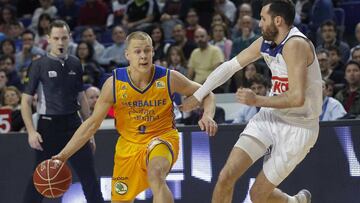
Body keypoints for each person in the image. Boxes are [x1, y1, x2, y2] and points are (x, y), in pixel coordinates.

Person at [181, 0, 322, 203]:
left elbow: (297, 98)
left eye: (263, 19)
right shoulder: (265, 42)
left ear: (278, 20)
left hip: (299, 126)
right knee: (225, 177)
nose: (259, 23)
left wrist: (257, 99)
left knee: (257, 195)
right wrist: (198, 95)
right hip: (271, 116)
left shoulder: (296, 45)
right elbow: (230, 66)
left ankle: (294, 202)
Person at [52, 31, 218, 203]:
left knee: (156, 175)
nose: (143, 56)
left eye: (147, 50)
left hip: (162, 138)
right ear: (127, 55)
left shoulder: (169, 78)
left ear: (153, 52)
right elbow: (92, 124)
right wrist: (63, 155)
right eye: (138, 51)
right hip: (129, 145)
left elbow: (207, 93)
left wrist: (208, 115)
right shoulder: (114, 84)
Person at [21, 20, 104, 203]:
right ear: (48, 39)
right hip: (48, 127)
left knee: (89, 176)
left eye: (64, 38)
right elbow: (26, 101)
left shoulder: (75, 63)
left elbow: (81, 98)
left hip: (74, 125)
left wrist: (89, 130)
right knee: (41, 179)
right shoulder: (38, 65)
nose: (60, 42)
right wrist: (31, 131)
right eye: (56, 38)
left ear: (70, 38)